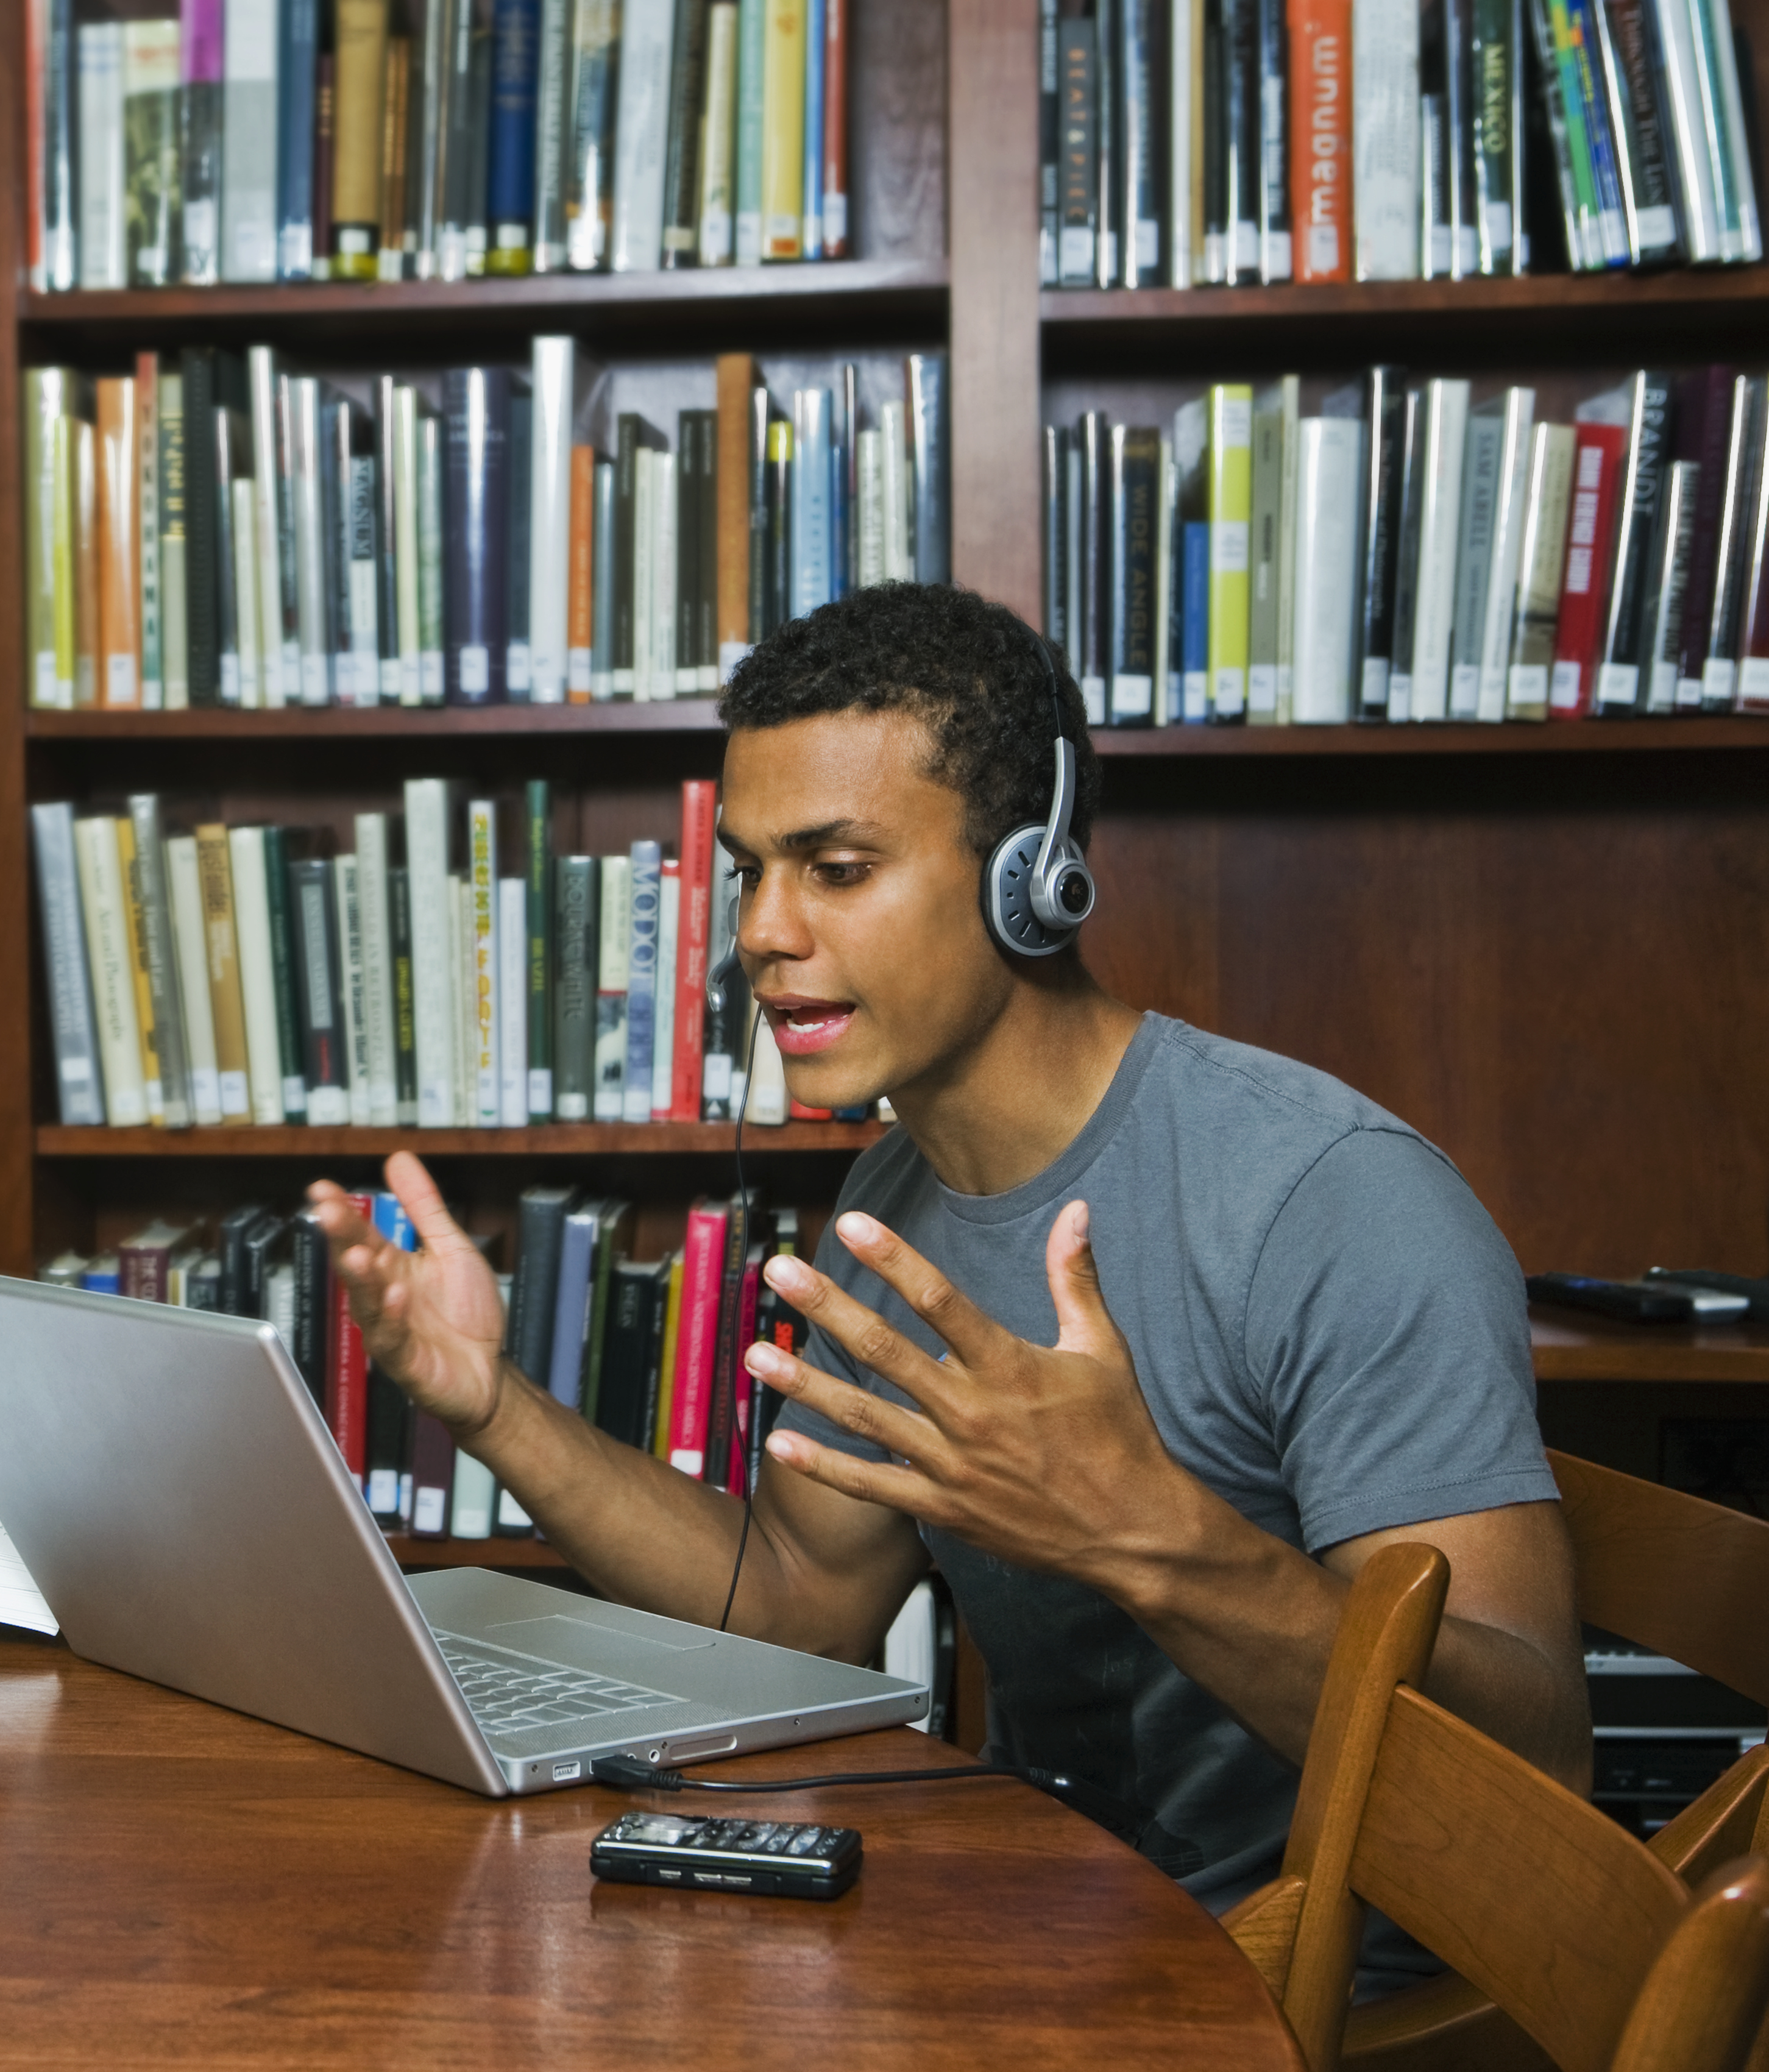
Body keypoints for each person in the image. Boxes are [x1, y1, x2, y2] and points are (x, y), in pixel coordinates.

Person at [308, 584, 1588, 1981]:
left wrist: (1146, 1531)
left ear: (1030, 879)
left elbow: (1533, 1769)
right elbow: (803, 1605)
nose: (762, 930)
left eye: (837, 867)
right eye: (749, 869)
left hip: (1332, 1994)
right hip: (1051, 1932)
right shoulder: (895, 1192)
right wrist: (492, 1401)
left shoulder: (1334, 1200)